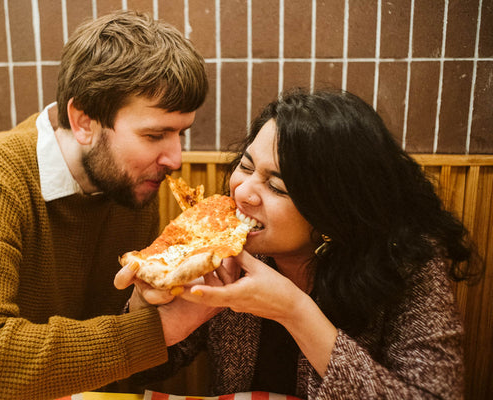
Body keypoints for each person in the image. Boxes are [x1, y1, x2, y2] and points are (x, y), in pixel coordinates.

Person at [0, 10, 218, 400]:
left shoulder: (131, 184)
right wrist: (157, 329)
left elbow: (116, 360)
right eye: (155, 135)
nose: (176, 158)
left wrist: (141, 306)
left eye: (181, 134)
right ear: (83, 121)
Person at [118, 88, 481, 398]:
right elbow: (139, 373)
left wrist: (295, 312)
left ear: (334, 211)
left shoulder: (407, 264)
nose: (242, 192)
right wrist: (146, 307)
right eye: (245, 167)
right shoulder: (217, 247)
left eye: (276, 186)